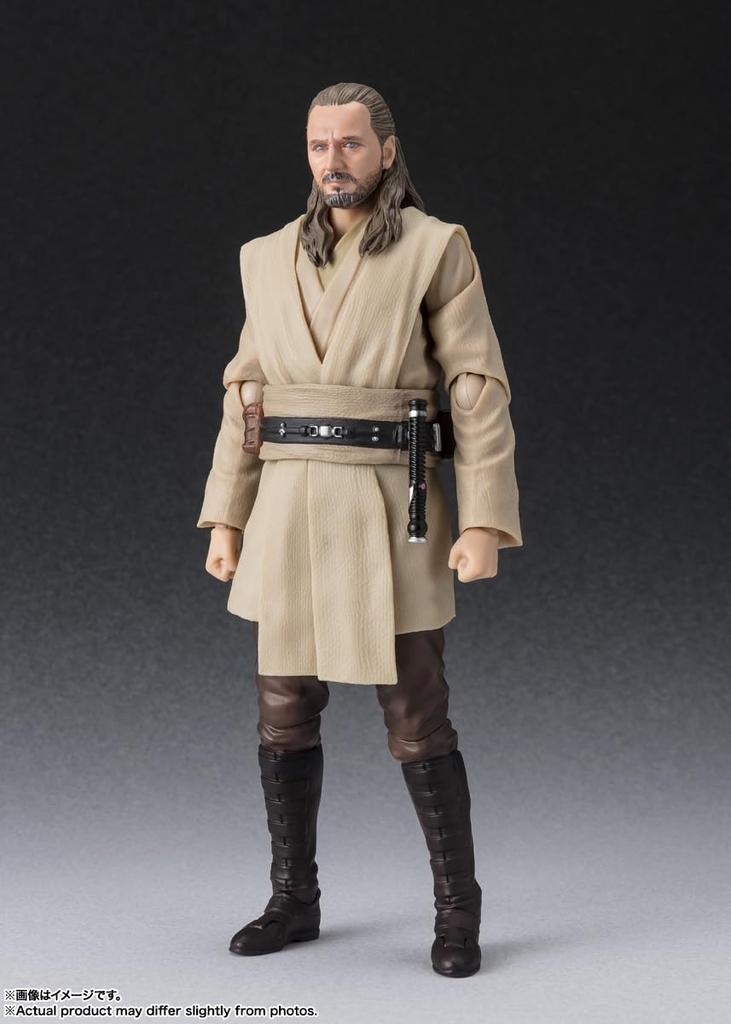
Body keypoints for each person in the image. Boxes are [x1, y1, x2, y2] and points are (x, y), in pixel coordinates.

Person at [196, 82, 522, 978]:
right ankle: (292, 897)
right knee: (282, 709)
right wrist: (226, 513)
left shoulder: (433, 248)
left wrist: (482, 517)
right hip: (288, 504)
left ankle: (456, 910)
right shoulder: (264, 257)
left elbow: (474, 386)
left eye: (349, 144)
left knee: (416, 712)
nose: (332, 161)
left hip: (392, 501)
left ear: (385, 151)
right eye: (317, 145)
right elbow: (246, 396)